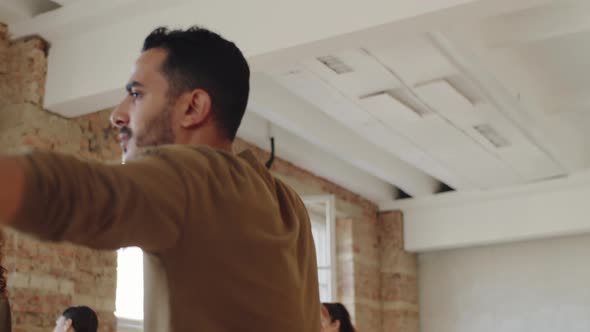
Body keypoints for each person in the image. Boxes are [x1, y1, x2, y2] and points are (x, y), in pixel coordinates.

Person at [0, 26, 320, 331]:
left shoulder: (193, 176)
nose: (117, 115)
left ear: (193, 108)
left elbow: (81, 195)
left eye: (136, 95)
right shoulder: (285, 201)